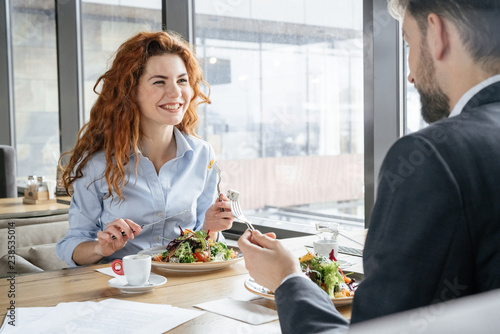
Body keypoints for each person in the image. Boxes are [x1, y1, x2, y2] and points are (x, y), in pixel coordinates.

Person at [238, 0, 500, 332]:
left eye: (408, 42)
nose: (410, 74)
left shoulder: (433, 157)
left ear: (437, 33)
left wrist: (287, 278)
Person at [57, 31, 234, 266]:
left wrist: (212, 228)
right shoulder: (98, 164)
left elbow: (205, 243)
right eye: (159, 82)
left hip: (182, 286)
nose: (175, 93)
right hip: (118, 288)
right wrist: (101, 247)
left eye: (182, 80)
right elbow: (72, 245)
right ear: (130, 91)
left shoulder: (202, 155)